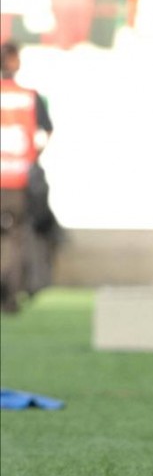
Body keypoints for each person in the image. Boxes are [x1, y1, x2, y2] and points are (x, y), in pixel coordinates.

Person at [0, 42, 54, 313]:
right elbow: (46, 132)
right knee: (17, 238)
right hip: (18, 179)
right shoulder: (29, 97)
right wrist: (32, 156)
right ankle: (11, 295)